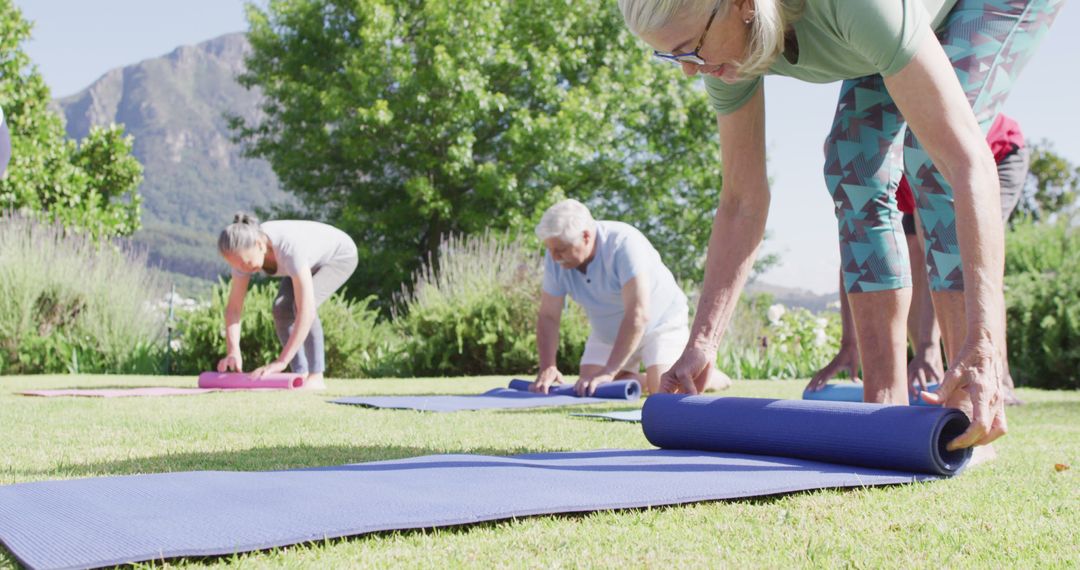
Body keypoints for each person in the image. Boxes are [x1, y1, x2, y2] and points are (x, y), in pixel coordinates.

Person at [617, 0, 1061, 450]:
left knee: (932, 158)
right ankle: (883, 416)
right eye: (673, 56)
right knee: (854, 164)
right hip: (899, 20)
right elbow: (741, 201)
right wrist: (704, 343)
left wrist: (984, 344)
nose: (690, 71)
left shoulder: (854, 7)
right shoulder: (725, 55)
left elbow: (968, 162)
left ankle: (966, 413)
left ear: (743, 5)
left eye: (690, 49)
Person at [809, 114, 1030, 405]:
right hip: (928, 169)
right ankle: (932, 367)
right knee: (913, 254)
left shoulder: (908, 153)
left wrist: (927, 345)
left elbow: (938, 252)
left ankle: (997, 378)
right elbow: (860, 252)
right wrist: (849, 343)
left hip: (997, 152)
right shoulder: (873, 172)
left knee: (972, 258)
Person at [530, 199, 730, 396]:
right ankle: (641, 380)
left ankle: (710, 376)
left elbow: (638, 314)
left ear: (585, 236)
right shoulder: (555, 257)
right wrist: (548, 366)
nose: (554, 257)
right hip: (608, 332)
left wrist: (609, 371)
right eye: (550, 249)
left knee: (665, 389)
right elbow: (548, 316)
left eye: (561, 250)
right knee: (590, 384)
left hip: (660, 323)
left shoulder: (623, 243)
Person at [216, 213, 358, 390]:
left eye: (246, 263)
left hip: (339, 256)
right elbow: (234, 309)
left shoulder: (288, 248)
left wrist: (281, 361)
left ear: (260, 244)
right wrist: (233, 351)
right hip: (308, 261)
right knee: (281, 309)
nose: (242, 269)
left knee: (302, 307)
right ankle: (300, 374)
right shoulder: (242, 257)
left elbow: (306, 310)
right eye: (236, 265)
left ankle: (316, 377)